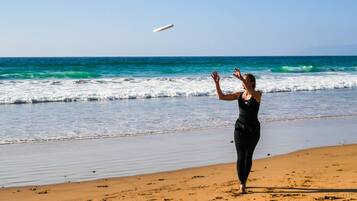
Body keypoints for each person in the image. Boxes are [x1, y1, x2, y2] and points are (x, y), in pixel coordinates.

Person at [211, 68, 262, 194]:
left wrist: (241, 78)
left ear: (252, 83)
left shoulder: (257, 94)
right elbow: (221, 97)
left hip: (253, 130)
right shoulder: (239, 95)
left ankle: (244, 181)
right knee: (240, 156)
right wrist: (217, 83)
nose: (243, 81)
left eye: (246, 80)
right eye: (243, 79)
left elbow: (250, 91)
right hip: (239, 128)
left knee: (248, 156)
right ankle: (242, 184)